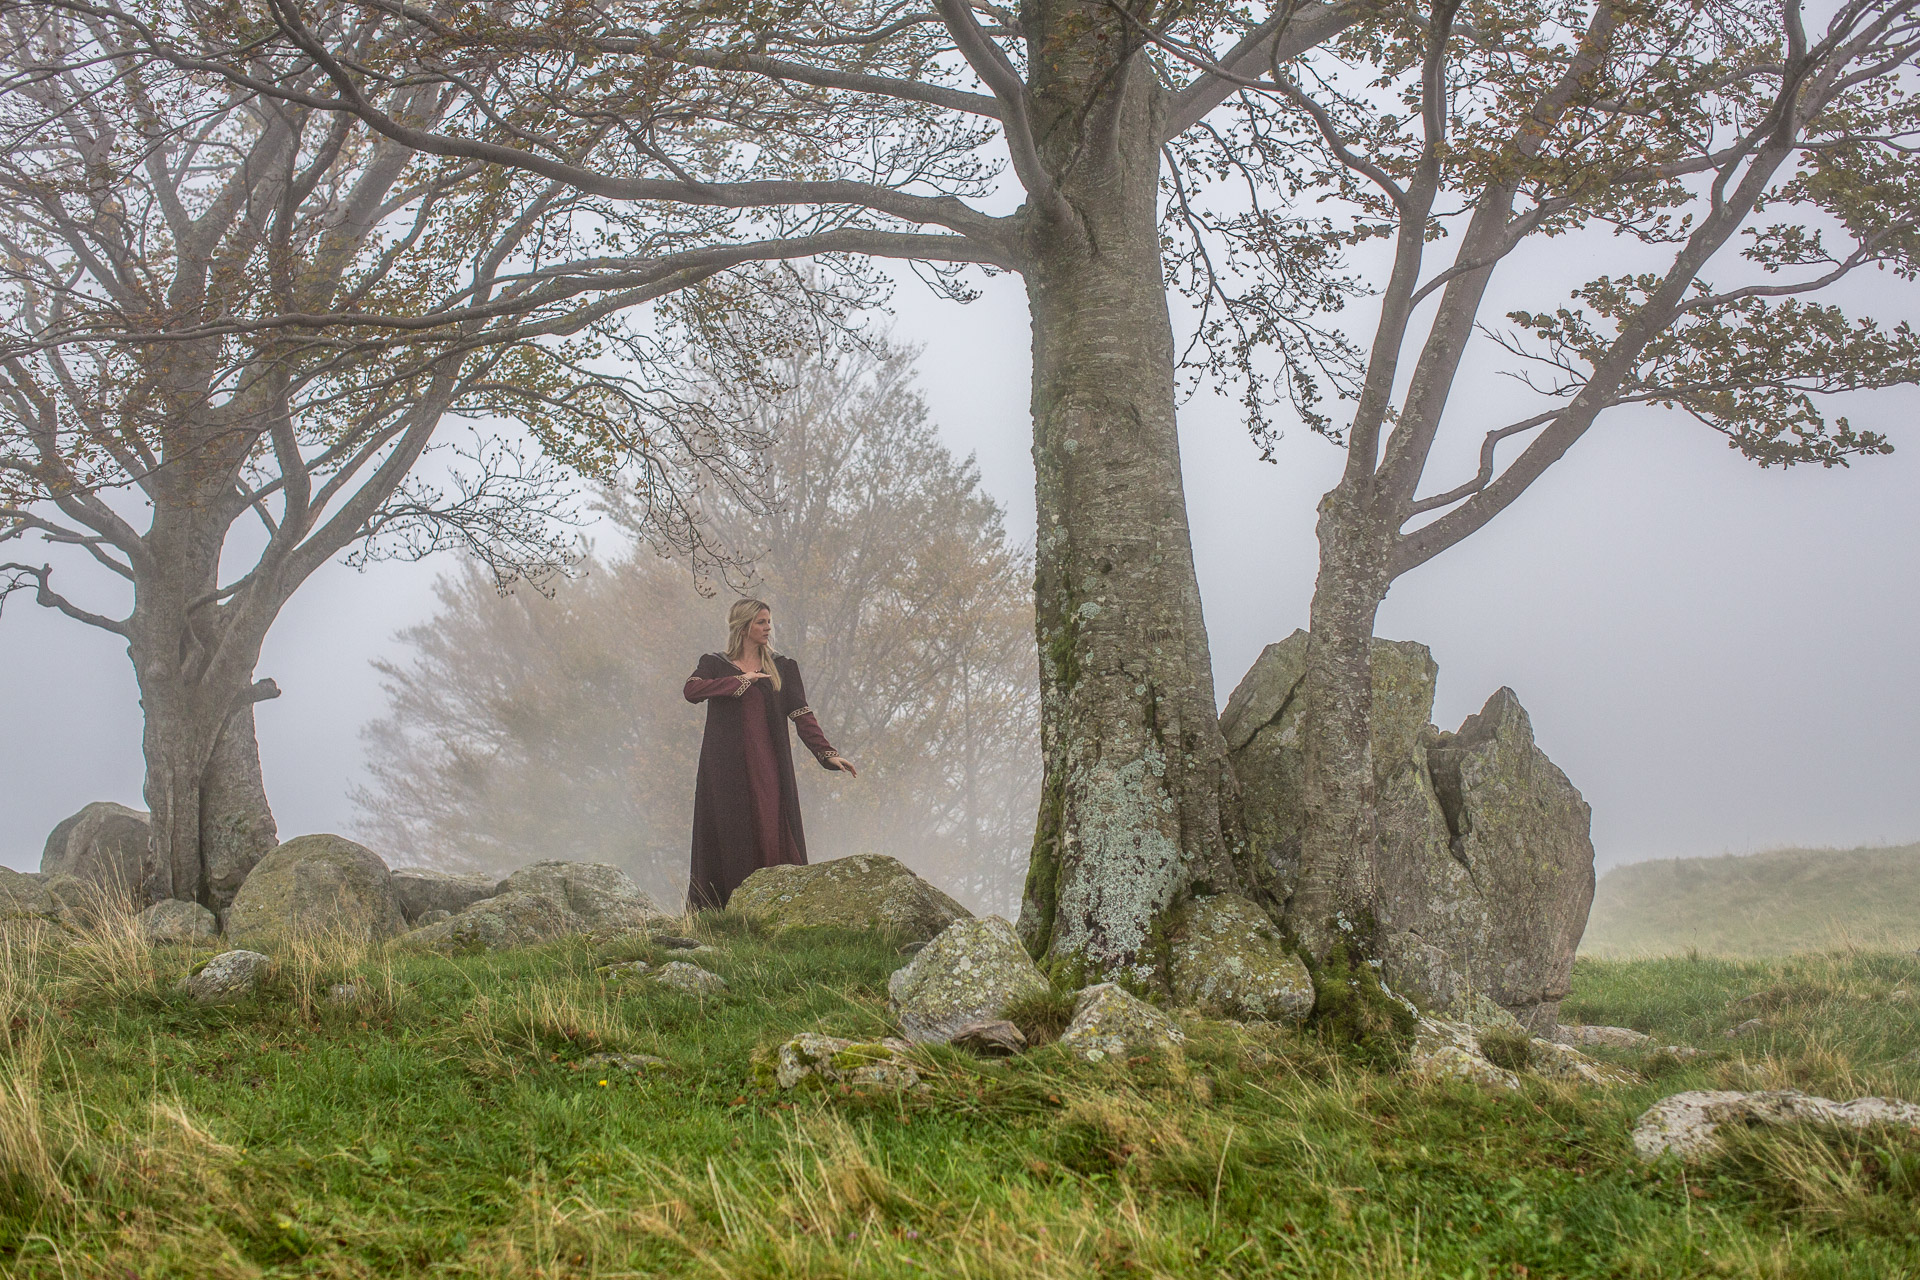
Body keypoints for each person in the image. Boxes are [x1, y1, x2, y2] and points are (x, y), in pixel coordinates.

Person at [682, 599, 857, 909]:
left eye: (768, 621)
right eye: (761, 622)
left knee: (769, 825)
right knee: (728, 830)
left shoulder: (783, 667)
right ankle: (727, 910)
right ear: (744, 627)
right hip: (724, 769)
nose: (768, 628)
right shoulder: (714, 663)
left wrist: (826, 753)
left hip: (768, 766)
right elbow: (692, 691)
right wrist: (741, 681)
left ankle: (775, 906)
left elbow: (802, 715)